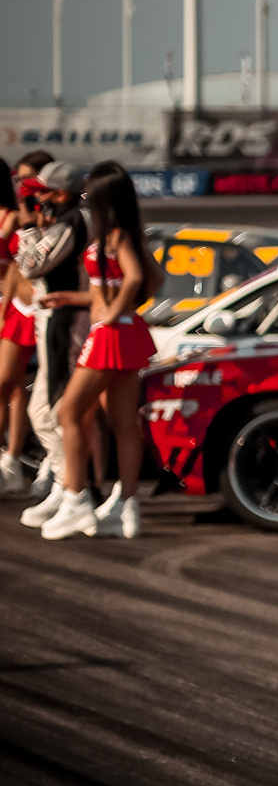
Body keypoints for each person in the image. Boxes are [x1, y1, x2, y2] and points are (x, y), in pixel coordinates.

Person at [41, 163, 161, 540]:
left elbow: (140, 279)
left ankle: (75, 498)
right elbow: (150, 278)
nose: (85, 196)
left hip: (109, 334)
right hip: (124, 332)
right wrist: (75, 298)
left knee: (69, 411)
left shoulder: (116, 235)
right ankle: (128, 506)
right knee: (124, 423)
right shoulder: (126, 233)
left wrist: (114, 309)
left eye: (90, 192)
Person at [15, 160, 90, 529]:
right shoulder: (65, 221)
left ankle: (73, 490)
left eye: (41, 191)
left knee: (51, 410)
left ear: (61, 194)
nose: (35, 197)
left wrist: (28, 227)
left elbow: (29, 265)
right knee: (42, 412)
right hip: (52, 322)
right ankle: (65, 484)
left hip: (66, 325)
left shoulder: (72, 222)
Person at [0, 170, 46, 494]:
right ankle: (10, 461)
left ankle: (12, 459)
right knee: (10, 386)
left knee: (9, 385)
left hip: (24, 305)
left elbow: (19, 265)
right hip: (12, 305)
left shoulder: (19, 216)